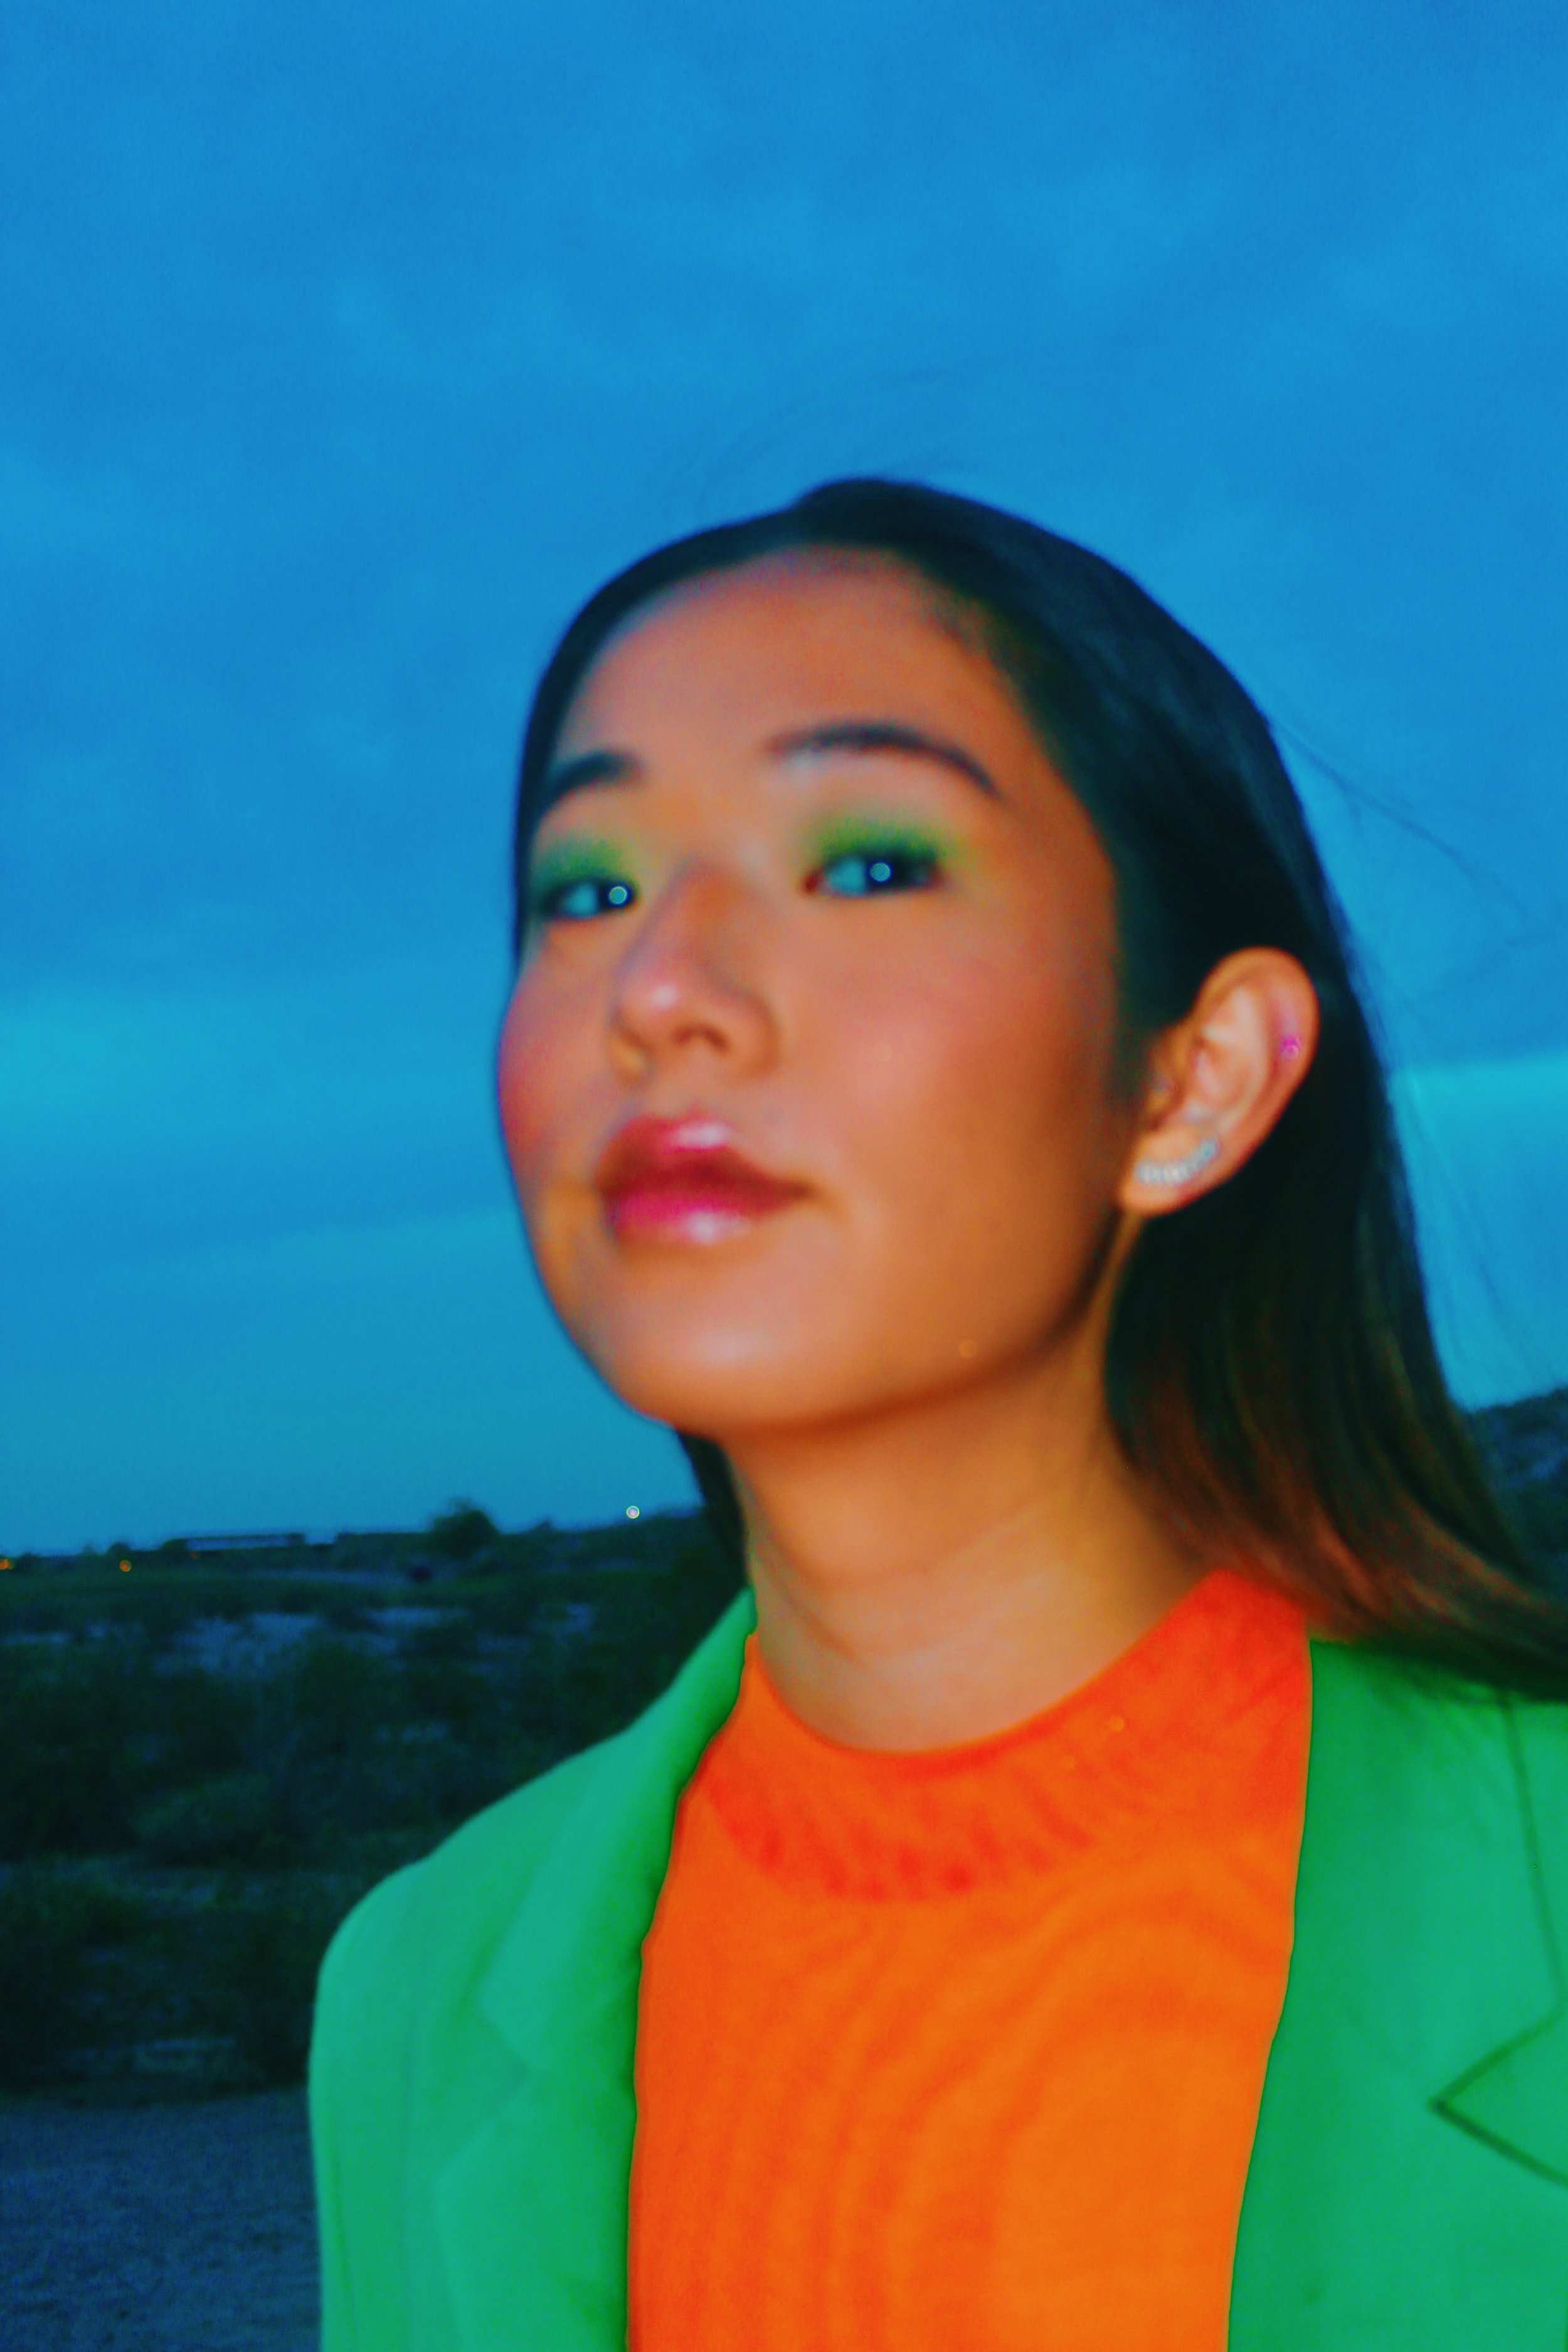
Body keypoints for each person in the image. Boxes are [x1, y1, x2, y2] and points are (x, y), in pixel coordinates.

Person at [308, 480, 1568, 2351]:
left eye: (867, 862)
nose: (660, 990)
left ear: (1193, 1081)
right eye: (588, 889)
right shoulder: (416, 1987)